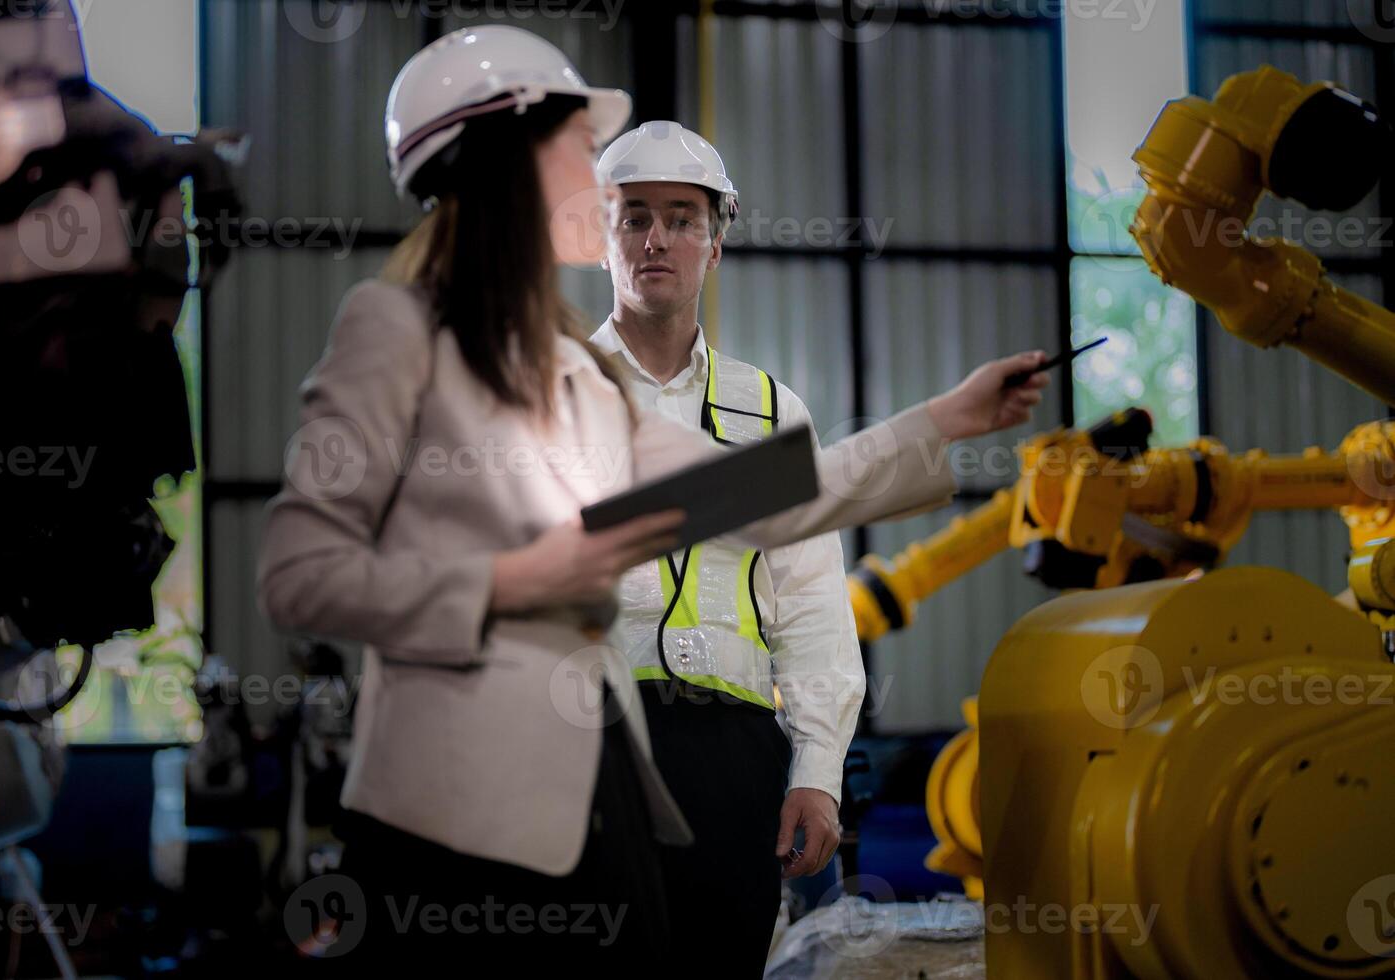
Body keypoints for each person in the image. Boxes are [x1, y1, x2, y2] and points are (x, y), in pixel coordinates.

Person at [254, 23, 1049, 974]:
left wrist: (944, 421)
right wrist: (512, 581)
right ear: (503, 151)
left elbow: (765, 501)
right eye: (579, 149)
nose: (601, 180)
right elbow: (302, 575)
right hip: (439, 806)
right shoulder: (396, 329)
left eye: (679, 213)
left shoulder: (572, 375)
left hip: (585, 806)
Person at [591, 120, 869, 976]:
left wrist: (817, 768)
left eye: (681, 217)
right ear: (603, 238)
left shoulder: (767, 413)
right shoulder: (554, 394)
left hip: (733, 761)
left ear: (717, 241)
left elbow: (815, 603)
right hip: (588, 748)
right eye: (634, 216)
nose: (656, 239)